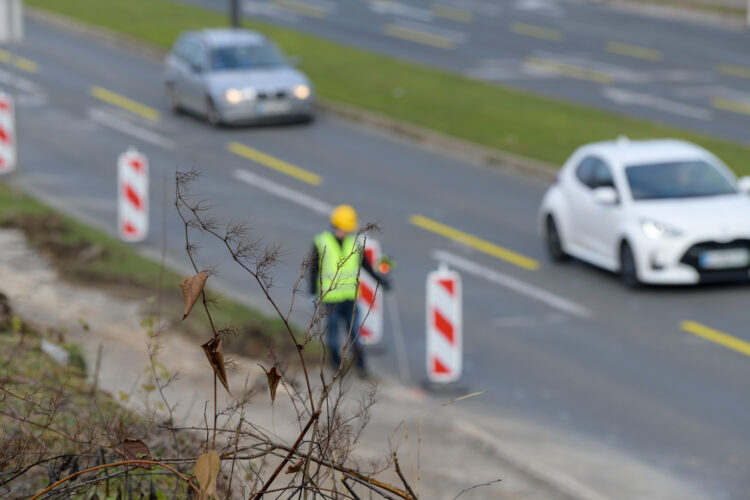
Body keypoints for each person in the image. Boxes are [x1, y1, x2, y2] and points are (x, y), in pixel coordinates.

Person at [309, 204, 390, 376]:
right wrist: (312, 293)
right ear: (336, 226)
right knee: (332, 337)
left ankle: (361, 367)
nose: (346, 232)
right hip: (330, 299)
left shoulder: (354, 243)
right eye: (344, 229)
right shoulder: (321, 242)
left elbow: (365, 265)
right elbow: (313, 269)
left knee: (354, 335)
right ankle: (337, 368)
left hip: (350, 298)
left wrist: (380, 280)